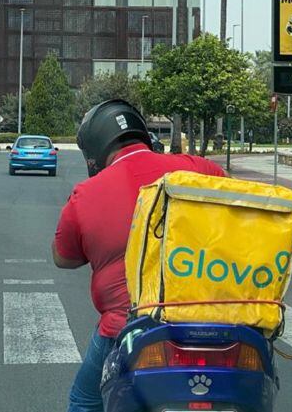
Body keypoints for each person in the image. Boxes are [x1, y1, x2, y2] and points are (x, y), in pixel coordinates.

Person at [52, 100, 225, 412]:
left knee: (84, 399)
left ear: (94, 151)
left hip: (129, 327)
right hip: (216, 321)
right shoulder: (202, 169)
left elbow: (63, 257)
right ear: (144, 135)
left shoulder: (86, 194)